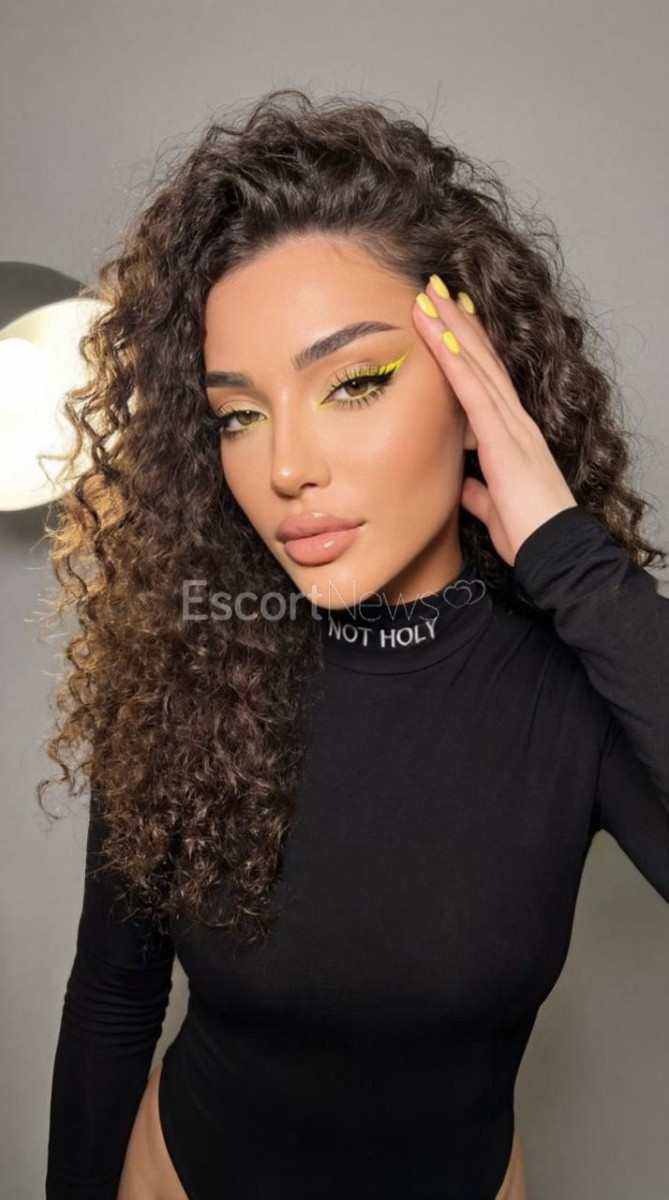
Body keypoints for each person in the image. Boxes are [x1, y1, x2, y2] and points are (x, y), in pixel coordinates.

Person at [41, 88, 668, 1200]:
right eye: (239, 414)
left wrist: (570, 557)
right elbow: (112, 996)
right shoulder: (192, 661)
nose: (286, 467)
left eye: (355, 382)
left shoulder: (570, 682)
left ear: (478, 391)